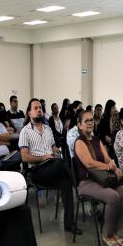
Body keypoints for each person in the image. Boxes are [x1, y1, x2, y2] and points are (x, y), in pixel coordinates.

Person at [73, 109, 123, 246]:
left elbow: (107, 158)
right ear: (79, 125)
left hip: (102, 179)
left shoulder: (97, 140)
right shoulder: (79, 142)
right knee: (113, 196)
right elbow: (89, 163)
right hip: (87, 182)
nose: (90, 123)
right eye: (86, 121)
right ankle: (107, 234)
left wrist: (114, 166)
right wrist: (108, 167)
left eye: (91, 120)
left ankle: (114, 231)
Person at [19, 97, 79, 233]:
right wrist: (44, 157)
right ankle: (79, 183)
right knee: (62, 165)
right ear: (29, 113)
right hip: (36, 171)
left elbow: (54, 149)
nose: (39, 110)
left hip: (53, 167)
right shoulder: (25, 131)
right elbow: (24, 156)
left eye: (40, 108)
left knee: (66, 180)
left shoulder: (48, 129)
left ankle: (69, 224)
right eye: (35, 108)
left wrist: (58, 152)